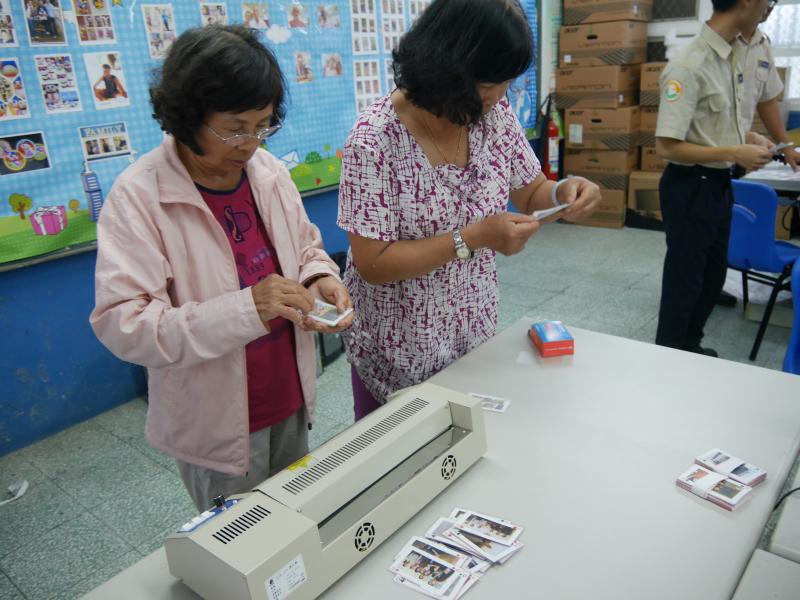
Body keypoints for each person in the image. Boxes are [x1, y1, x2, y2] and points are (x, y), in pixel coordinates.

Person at [90, 25, 353, 512]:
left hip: (289, 394)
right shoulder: (140, 196)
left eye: (264, 124)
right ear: (188, 116)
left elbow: (306, 248)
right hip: (215, 422)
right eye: (234, 127)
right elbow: (123, 324)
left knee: (293, 523)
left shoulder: (268, 173)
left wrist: (320, 278)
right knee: (237, 548)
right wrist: (246, 308)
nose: (250, 142)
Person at [337, 0, 600, 419]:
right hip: (397, 349)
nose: (499, 98)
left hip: (471, 335)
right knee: (402, 468)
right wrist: (473, 238)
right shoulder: (374, 142)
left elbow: (533, 192)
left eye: (507, 84)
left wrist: (566, 191)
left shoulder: (494, 116)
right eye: (487, 86)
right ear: (445, 70)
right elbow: (373, 262)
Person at [654, 0, 774, 357]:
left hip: (718, 185)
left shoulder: (732, 54)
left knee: (711, 278)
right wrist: (734, 153)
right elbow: (667, 146)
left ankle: (690, 345)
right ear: (747, 2)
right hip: (691, 186)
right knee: (685, 281)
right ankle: (671, 353)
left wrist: (747, 139)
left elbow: (711, 126)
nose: (768, 8)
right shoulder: (691, 64)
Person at [735, 0, 799, 171]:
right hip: (708, 156)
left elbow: (767, 102)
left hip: (739, 152)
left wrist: (786, 147)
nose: (770, 7)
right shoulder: (721, 42)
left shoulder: (762, 44)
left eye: (774, 1)